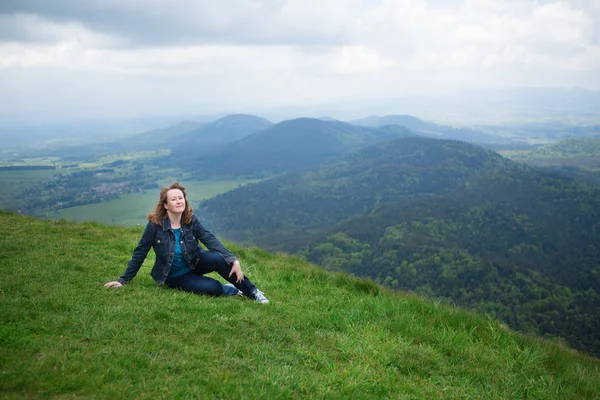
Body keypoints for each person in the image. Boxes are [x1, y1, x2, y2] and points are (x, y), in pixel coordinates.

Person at [104, 182, 269, 303]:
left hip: (194, 262)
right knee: (214, 288)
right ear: (166, 205)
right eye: (173, 199)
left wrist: (233, 259)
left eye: (180, 198)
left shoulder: (191, 220)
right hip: (175, 275)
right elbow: (140, 253)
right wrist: (123, 280)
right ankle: (230, 289)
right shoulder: (155, 226)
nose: (178, 201)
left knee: (219, 258)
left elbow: (209, 239)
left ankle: (252, 292)